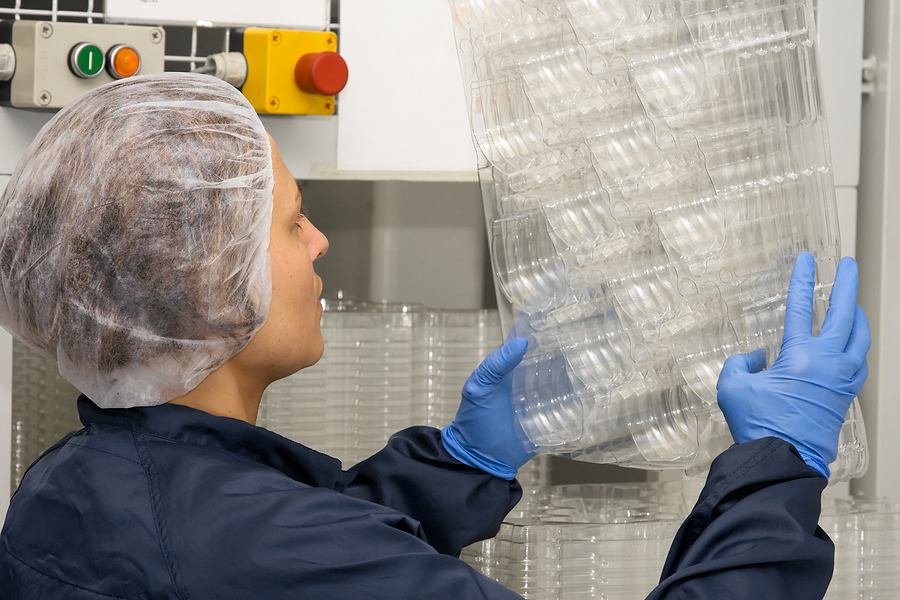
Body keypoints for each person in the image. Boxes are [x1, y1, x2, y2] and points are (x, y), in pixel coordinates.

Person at [0, 73, 868, 600]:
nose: (320, 244)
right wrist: (777, 471)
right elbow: (299, 562)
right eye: (296, 223)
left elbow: (292, 554)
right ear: (204, 277)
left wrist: (461, 461)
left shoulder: (72, 485)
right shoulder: (260, 547)